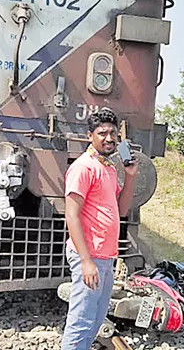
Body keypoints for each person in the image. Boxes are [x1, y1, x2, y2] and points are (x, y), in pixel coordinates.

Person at [60, 109, 138, 350]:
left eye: (113, 133)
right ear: (89, 136)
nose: (109, 138)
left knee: (94, 320)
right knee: (81, 321)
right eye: (102, 133)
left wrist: (131, 176)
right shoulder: (84, 167)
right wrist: (85, 261)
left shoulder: (109, 168)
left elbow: (121, 210)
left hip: (105, 257)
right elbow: (71, 215)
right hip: (90, 255)